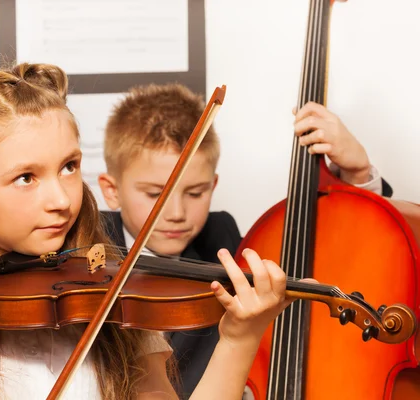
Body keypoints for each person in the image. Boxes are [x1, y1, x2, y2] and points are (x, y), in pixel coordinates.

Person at [0, 63, 299, 400]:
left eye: (69, 167)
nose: (61, 199)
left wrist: (240, 336)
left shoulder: (110, 299)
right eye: (26, 177)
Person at [97, 83, 392, 398]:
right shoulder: (90, 247)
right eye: (155, 194)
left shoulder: (222, 240)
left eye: (196, 192)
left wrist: (359, 176)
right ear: (111, 191)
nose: (177, 212)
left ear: (214, 184)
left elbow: (333, 260)